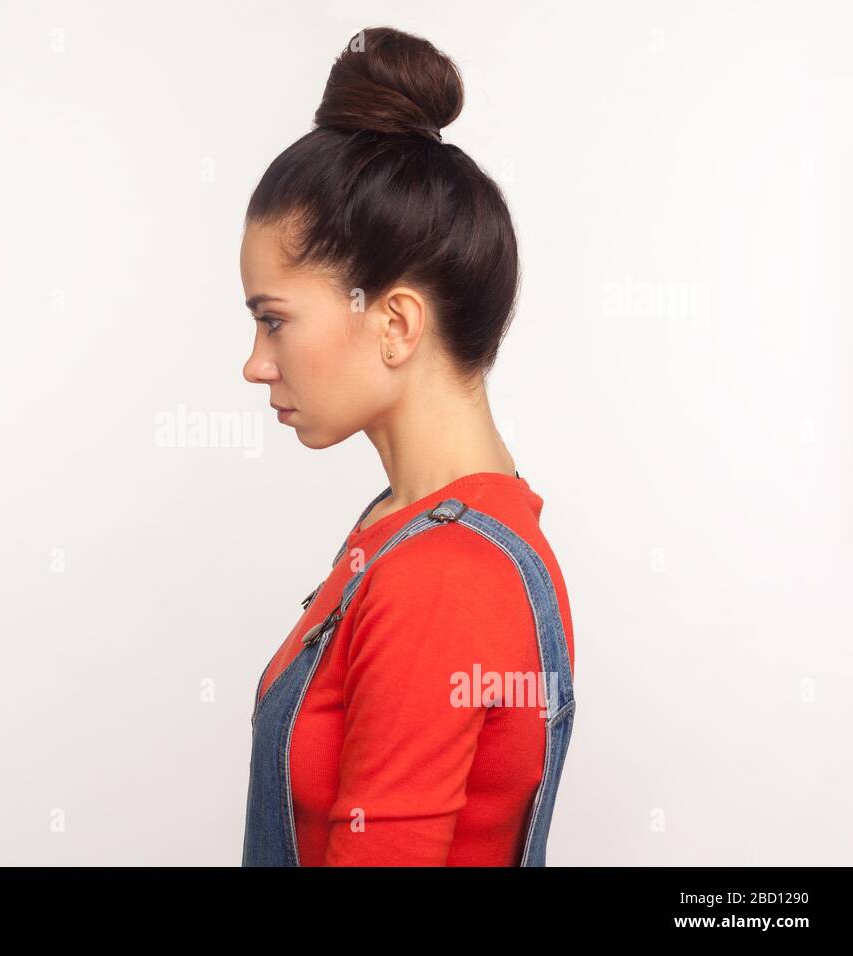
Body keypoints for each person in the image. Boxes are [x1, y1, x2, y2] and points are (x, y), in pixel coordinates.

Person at [239, 26, 576, 866]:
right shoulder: (414, 526)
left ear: (393, 323)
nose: (255, 364)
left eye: (273, 320)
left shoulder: (441, 577)